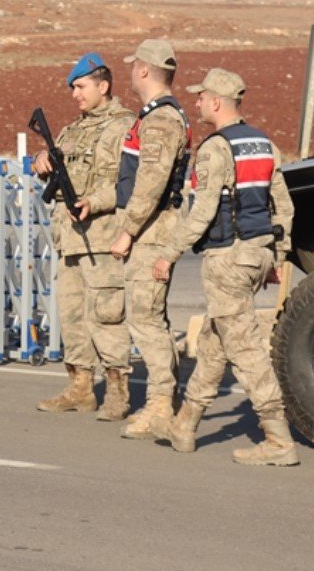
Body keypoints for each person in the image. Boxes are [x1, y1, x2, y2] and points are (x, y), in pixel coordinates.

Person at [150, 68, 299, 466]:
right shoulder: (263, 144)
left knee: (246, 348)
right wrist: (277, 256)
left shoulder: (216, 149)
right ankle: (185, 425)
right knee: (216, 342)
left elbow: (202, 213)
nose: (196, 101)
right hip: (257, 253)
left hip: (228, 258)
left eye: (201, 97)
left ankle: (278, 439)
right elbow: (283, 206)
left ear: (216, 102)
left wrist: (169, 253)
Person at [76, 38, 191, 436]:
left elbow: (151, 185)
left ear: (143, 70)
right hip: (149, 229)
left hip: (151, 233)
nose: (129, 73)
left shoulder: (160, 120)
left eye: (132, 67)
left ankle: (160, 407)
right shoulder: (154, 116)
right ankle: (162, 402)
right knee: (150, 319)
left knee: (146, 321)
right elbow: (129, 186)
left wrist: (127, 232)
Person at [32, 52, 135, 415]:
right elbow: (62, 168)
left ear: (102, 85)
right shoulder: (73, 130)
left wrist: (95, 201)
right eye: (73, 88)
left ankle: (118, 392)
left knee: (106, 317)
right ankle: (80, 387)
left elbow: (129, 183)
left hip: (103, 239)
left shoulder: (124, 126)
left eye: (80, 86)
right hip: (71, 240)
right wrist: (41, 162)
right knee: (72, 317)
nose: (75, 94)